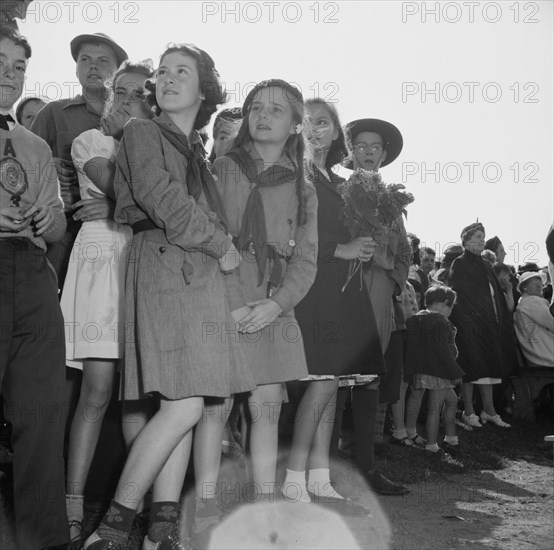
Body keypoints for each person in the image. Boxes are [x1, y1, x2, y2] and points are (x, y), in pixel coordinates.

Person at [83, 42, 253, 549]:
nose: (170, 78)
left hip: (195, 272)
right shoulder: (142, 131)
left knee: (189, 404)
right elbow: (163, 200)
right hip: (164, 263)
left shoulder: (195, 150)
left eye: (184, 71)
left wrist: (223, 247)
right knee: (182, 408)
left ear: (205, 89)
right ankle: (110, 530)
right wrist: (222, 244)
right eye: (164, 72)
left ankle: (160, 531)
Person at [60, 60, 155, 543]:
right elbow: (126, 189)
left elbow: (160, 202)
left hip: (140, 261)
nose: (127, 99)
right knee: (96, 392)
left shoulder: (153, 146)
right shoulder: (90, 141)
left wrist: (122, 206)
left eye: (140, 94)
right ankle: (72, 507)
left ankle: (131, 508)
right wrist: (122, 205)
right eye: (121, 91)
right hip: (101, 260)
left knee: (137, 395)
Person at [213, 79, 317, 507]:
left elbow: (306, 261)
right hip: (223, 294)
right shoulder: (223, 168)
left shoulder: (303, 188)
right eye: (256, 106)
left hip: (274, 302)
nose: (263, 114)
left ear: (295, 124)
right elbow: (210, 239)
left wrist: (276, 305)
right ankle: (199, 504)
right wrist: (235, 305)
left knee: (268, 403)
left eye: (276, 109)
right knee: (212, 406)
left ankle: (262, 504)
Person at [282, 99, 382, 514]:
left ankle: (320, 478)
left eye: (323, 122)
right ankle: (292, 478)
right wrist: (340, 248)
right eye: (307, 121)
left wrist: (362, 244)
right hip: (313, 287)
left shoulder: (341, 180)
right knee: (321, 382)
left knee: (333, 384)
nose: (314, 129)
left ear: (336, 131)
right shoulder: (291, 174)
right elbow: (285, 237)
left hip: (343, 291)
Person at [0, 25, 68, 549]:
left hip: (33, 275)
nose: (10, 74)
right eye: (0, 61)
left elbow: (59, 224)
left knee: (41, 414)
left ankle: (40, 540)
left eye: (19, 66)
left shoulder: (34, 144)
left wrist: (49, 220)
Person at [334, 117, 411, 495]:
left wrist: (394, 281)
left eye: (374, 147)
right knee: (333, 381)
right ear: (349, 151)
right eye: (360, 145)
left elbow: (406, 250)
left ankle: (366, 467)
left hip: (380, 295)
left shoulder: (393, 199)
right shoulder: (338, 190)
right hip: (346, 289)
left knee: (369, 379)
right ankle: (326, 470)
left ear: (383, 154)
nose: (367, 152)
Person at [30, 32, 128, 287]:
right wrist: (46, 168)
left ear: (119, 71)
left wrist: (115, 206)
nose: (93, 66)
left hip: (120, 236)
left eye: (103, 60)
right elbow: (21, 170)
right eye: (85, 59)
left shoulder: (134, 120)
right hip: (59, 239)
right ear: (76, 69)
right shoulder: (52, 113)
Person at [449, 222, 517, 429]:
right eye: (477, 236)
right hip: (470, 325)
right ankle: (469, 411)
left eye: (483, 236)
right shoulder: (459, 263)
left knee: (488, 368)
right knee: (470, 367)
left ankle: (489, 411)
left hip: (490, 325)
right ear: (466, 240)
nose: (481, 240)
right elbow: (459, 295)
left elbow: (493, 295)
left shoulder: (487, 265)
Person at [404, 285, 465, 456]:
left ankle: (411, 431)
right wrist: (455, 371)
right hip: (438, 370)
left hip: (418, 369)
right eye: (451, 306)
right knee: (435, 407)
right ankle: (432, 444)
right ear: (446, 303)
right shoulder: (440, 321)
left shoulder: (415, 319)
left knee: (424, 398)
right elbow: (442, 350)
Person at [514, 271, 554, 367]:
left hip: (536, 357)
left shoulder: (522, 303)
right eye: (535, 282)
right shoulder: (533, 301)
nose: (540, 285)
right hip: (548, 357)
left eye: (540, 283)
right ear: (524, 287)